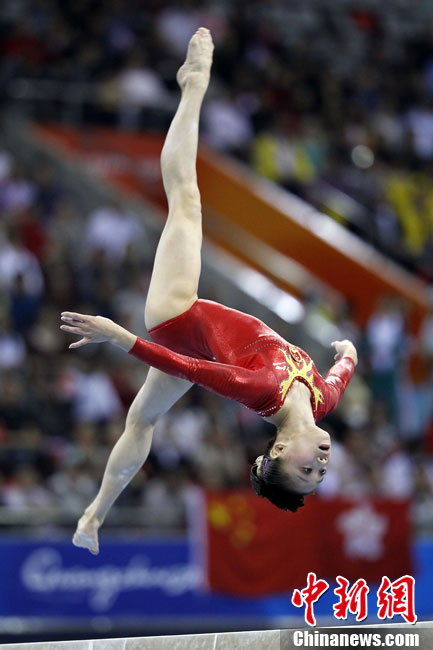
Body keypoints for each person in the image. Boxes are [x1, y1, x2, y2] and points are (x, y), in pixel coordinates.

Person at [60, 28, 357, 555]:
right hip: (194, 342)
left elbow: (191, 369)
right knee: (142, 420)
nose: (321, 465)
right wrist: (347, 350)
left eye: (305, 470)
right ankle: (93, 515)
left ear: (279, 450)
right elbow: (342, 371)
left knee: (186, 199)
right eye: (320, 474)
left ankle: (193, 84)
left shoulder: (260, 391)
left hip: (176, 316)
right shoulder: (322, 399)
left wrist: (120, 337)